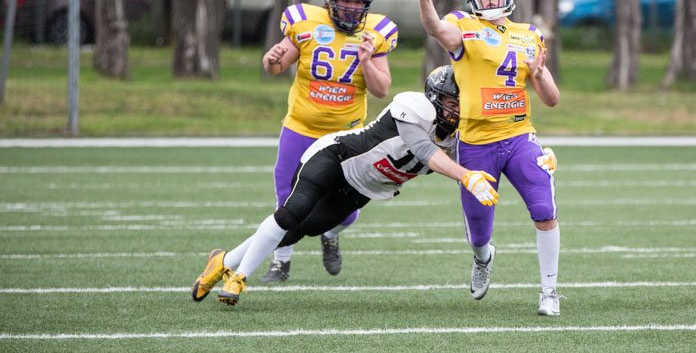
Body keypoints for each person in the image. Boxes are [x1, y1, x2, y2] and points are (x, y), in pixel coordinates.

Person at [192, 67, 499, 307]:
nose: (457, 109)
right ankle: (239, 278)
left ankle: (223, 261)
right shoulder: (416, 108)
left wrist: (534, 157)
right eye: (451, 101)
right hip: (335, 158)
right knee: (292, 213)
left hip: (360, 189)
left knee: (299, 230)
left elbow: (490, 161)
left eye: (461, 103)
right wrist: (465, 176)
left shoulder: (459, 140)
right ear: (434, 97)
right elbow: (423, 150)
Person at [413, 0, 562, 316]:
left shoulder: (528, 35)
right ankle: (483, 257)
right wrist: (424, 1)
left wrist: (539, 75)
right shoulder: (465, 26)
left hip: (518, 135)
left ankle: (550, 291)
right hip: (477, 142)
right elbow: (437, 30)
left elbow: (552, 99)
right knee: (479, 229)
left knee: (544, 209)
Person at [260, 0, 396, 283]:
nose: (350, 11)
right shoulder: (307, 24)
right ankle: (281, 261)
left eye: (357, 6)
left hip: (345, 134)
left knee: (347, 210)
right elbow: (277, 66)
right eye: (344, 4)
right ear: (329, 2)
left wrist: (365, 60)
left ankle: (331, 233)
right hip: (301, 126)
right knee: (287, 196)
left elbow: (381, 90)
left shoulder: (374, 35)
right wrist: (270, 60)